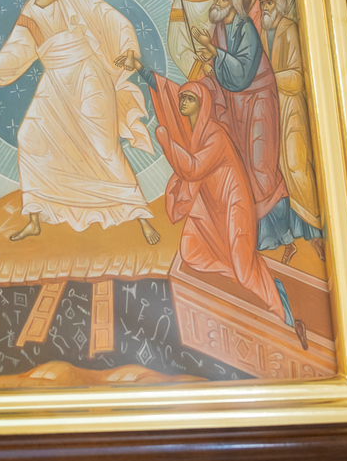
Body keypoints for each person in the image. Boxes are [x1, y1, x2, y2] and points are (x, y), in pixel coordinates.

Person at [114, 58, 307, 349]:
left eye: (190, 99)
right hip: (211, 205)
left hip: (233, 207)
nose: (182, 102)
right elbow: (165, 92)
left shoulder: (215, 135)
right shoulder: (194, 130)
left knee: (243, 267)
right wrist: (139, 67)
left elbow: (192, 169)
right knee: (192, 250)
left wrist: (167, 142)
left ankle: (286, 316)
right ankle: (254, 275)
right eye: (183, 98)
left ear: (202, 104)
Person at [0, 0, 158, 243]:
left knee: (104, 146)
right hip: (55, 81)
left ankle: (141, 217)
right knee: (30, 136)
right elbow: (17, 49)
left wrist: (128, 48)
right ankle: (35, 217)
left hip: (89, 76)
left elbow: (110, 17)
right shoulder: (30, 12)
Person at [192, 0, 292, 252]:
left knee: (260, 164)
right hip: (236, 103)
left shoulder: (245, 27)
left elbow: (243, 70)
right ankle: (253, 233)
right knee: (244, 165)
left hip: (258, 99)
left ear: (234, 3)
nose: (218, 1)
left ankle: (279, 231)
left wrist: (213, 52)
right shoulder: (219, 28)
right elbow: (223, 69)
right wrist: (209, 59)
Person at [260, 0, 325, 263]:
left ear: (280, 5)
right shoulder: (263, 32)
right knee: (278, 169)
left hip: (292, 107)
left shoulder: (289, 30)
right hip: (273, 106)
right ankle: (291, 237)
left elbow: (297, 76)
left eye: (269, 2)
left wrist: (267, 77)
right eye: (262, 3)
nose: (264, 7)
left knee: (297, 166)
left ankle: (317, 232)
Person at [167, 0, 217, 81]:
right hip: (197, 62)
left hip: (221, 54)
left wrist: (212, 49)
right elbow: (176, 42)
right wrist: (201, 64)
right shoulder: (180, 0)